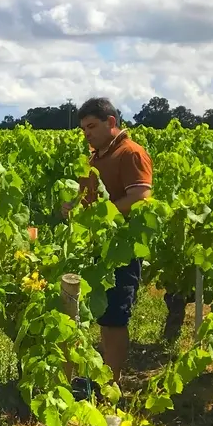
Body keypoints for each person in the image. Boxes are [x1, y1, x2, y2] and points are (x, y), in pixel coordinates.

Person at [62, 97, 152, 383]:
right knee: (102, 314)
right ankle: (101, 378)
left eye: (91, 126)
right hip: (97, 246)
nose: (86, 133)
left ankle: (111, 383)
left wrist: (103, 214)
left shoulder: (130, 153)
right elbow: (86, 197)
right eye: (83, 129)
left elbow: (140, 196)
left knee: (114, 318)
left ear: (111, 123)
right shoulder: (94, 157)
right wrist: (73, 205)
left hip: (121, 247)